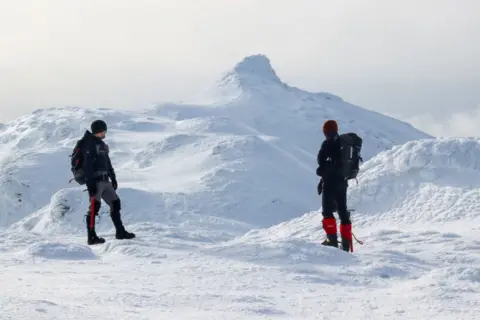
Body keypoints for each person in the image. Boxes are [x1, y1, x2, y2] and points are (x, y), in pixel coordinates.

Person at [82, 120, 135, 245]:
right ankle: (92, 237)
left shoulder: (102, 145)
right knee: (95, 207)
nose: (105, 132)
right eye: (104, 130)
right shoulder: (90, 144)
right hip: (96, 182)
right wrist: (91, 186)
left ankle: (120, 232)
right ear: (99, 130)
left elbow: (108, 163)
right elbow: (87, 166)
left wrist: (113, 178)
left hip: (106, 181)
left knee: (115, 203)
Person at [316, 119, 352, 252]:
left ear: (325, 131)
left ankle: (332, 241)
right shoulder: (344, 143)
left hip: (330, 183)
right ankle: (346, 245)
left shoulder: (327, 143)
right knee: (343, 211)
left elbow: (321, 161)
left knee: (327, 211)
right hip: (343, 181)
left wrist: (322, 171)